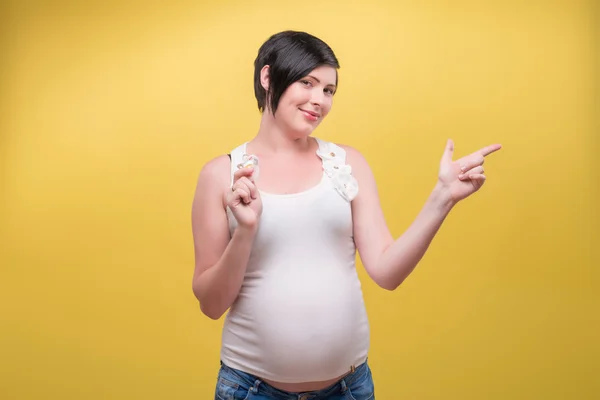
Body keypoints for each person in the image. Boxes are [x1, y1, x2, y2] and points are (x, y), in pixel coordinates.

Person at [191, 30, 501, 400]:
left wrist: (442, 198)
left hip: (347, 389)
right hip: (250, 389)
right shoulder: (220, 175)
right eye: (307, 83)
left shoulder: (347, 164)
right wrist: (246, 230)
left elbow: (386, 273)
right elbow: (211, 305)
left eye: (328, 90)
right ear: (268, 77)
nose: (318, 100)